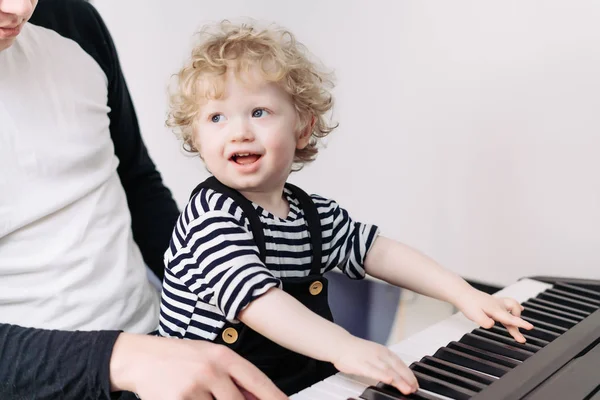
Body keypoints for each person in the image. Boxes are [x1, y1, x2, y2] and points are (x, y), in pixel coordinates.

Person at [158, 20, 535, 396]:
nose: (238, 131)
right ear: (197, 138)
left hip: (293, 381)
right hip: (207, 388)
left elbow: (378, 251)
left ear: (303, 128)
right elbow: (256, 301)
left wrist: (463, 294)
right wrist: (343, 346)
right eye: (216, 118)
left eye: (258, 112)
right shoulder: (210, 218)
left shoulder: (314, 215)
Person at [0, 1, 287, 399]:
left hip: (162, 346)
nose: (17, 8)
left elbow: (137, 181)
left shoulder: (73, 20)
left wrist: (228, 291)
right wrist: (118, 359)